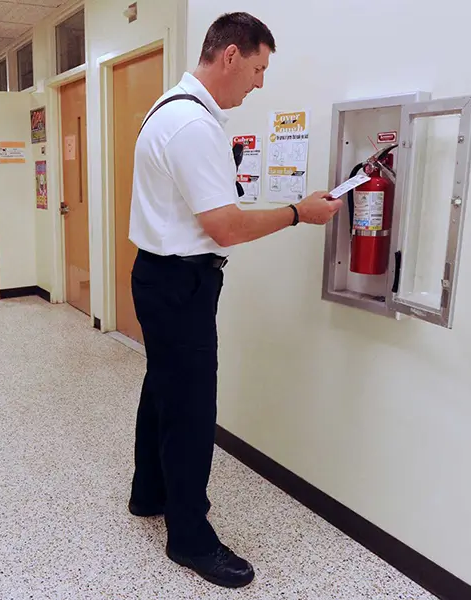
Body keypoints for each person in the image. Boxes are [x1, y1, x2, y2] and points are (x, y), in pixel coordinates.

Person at [126, 11, 342, 589]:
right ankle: (190, 538)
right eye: (258, 67)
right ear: (230, 56)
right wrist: (302, 213)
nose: (260, 82)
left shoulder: (170, 107)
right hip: (180, 285)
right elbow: (225, 227)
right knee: (192, 410)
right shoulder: (194, 127)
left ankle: (148, 494)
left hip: (158, 275)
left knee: (163, 387)